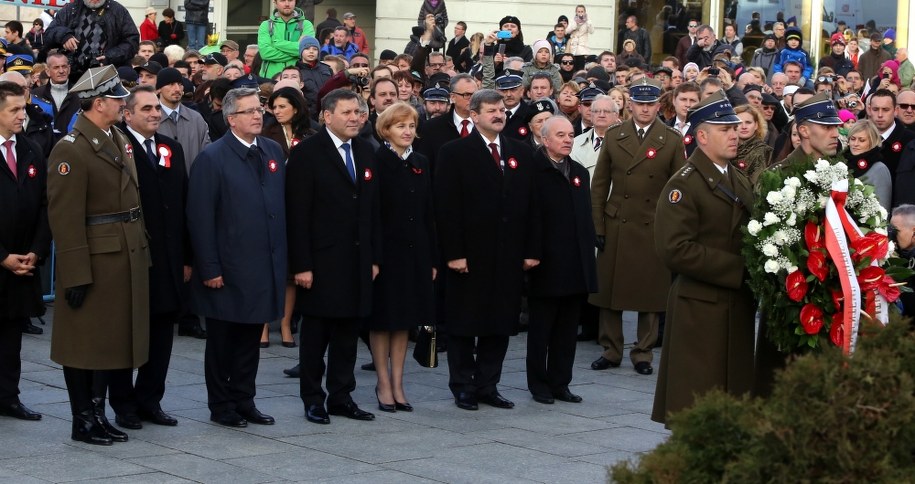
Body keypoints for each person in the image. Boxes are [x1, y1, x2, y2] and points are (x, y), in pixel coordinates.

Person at [46, 65, 149, 446]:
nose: (125, 103)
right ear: (99, 103)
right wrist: (75, 273)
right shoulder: (70, 148)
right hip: (94, 257)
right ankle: (82, 418)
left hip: (123, 252)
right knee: (83, 342)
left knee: (109, 341)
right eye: (118, 98)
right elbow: (64, 216)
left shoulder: (117, 137)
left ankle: (98, 414)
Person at [651, 90, 756, 426]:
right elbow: (675, 249)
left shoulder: (735, 175)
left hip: (733, 304)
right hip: (701, 306)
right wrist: (739, 269)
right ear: (701, 136)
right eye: (724, 129)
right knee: (696, 403)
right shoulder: (684, 184)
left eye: (735, 127)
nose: (734, 134)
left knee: (730, 398)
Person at [186, 87, 286, 428]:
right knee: (222, 342)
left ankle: (245, 399)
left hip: (262, 264)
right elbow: (200, 218)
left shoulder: (272, 150)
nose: (258, 115)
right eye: (249, 111)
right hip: (227, 268)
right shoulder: (212, 158)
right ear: (231, 119)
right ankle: (221, 404)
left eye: (260, 109)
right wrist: (210, 267)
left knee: (249, 341)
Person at [434, 88, 537, 411]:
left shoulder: (519, 151)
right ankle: (463, 385)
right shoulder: (455, 152)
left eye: (502, 109)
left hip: (507, 254)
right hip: (469, 254)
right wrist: (454, 252)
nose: (498, 114)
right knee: (465, 322)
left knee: (500, 322)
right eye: (491, 110)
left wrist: (530, 249)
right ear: (474, 115)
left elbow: (531, 205)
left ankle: (488, 384)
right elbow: (446, 207)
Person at [286, 88, 380, 425]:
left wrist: (374, 257)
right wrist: (302, 265)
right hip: (321, 262)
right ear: (327, 116)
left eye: (358, 112)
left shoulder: (368, 152)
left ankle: (342, 396)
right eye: (347, 113)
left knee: (347, 334)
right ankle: (313, 398)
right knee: (316, 337)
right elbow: (297, 213)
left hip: (357, 261)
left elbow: (372, 210)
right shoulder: (307, 153)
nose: (355, 118)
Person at [589, 78, 686, 375]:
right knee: (610, 292)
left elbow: (677, 190)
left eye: (650, 104)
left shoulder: (670, 139)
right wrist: (598, 226)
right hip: (618, 220)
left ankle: (643, 353)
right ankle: (611, 349)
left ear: (659, 105)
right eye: (640, 104)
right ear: (630, 105)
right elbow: (600, 184)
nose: (645, 109)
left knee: (650, 292)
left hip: (651, 223)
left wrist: (671, 228)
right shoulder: (615, 134)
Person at [108, 84, 188, 430]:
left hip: (168, 259)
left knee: (161, 334)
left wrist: (187, 256)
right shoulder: (117, 149)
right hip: (133, 256)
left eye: (157, 108)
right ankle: (123, 404)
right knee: (128, 333)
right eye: (146, 109)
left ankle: (150, 400)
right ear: (127, 115)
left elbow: (183, 204)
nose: (155, 114)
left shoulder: (171, 147)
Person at [756, 92, 843, 396]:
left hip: (831, 300)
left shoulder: (840, 175)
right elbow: (764, 247)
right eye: (827, 127)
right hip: (789, 301)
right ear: (804, 130)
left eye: (837, 127)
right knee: (780, 384)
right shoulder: (776, 178)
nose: (836, 133)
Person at [367, 102, 436, 412]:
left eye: (411, 126)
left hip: (416, 253)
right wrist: (374, 257)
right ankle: (383, 382)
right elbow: (372, 214)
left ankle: (398, 382)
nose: (407, 131)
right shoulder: (377, 160)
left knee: (405, 321)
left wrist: (432, 257)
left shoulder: (420, 161)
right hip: (386, 254)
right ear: (386, 130)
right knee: (383, 320)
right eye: (400, 126)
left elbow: (429, 214)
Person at [526, 115, 596, 404]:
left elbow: (585, 219)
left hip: (575, 263)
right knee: (542, 329)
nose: (568, 139)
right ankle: (539, 384)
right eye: (560, 135)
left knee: (567, 331)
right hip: (546, 263)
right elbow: (529, 217)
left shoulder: (579, 172)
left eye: (570, 134)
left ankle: (560, 382)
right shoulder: (533, 169)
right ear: (545, 139)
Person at [0, 81, 50, 423]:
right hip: (2, 259)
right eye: (14, 110)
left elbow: (46, 205)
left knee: (11, 337)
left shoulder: (31, 149)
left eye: (23, 108)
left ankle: (9, 396)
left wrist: (35, 250)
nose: (22, 115)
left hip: (22, 263)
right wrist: (1, 256)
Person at [43, 0, 139, 84]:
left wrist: (109, 57)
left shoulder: (118, 11)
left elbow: (132, 41)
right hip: (72, 76)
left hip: (107, 76)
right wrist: (64, 36)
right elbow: (48, 34)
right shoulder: (70, 10)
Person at [258, 0, 315, 80]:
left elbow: (307, 50)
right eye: (282, 0)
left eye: (291, 0)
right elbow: (265, 53)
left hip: (300, 79)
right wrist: (297, 51)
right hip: (271, 80)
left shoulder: (306, 25)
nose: (287, 4)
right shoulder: (266, 25)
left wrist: (276, 43)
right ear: (275, 2)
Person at [844, 119, 891, 211]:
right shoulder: (841, 163)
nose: (855, 144)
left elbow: (883, 209)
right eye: (853, 139)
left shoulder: (879, 169)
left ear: (872, 142)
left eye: (862, 140)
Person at [570, 93, 619, 177]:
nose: (601, 115)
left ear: (616, 115)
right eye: (596, 111)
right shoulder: (575, 142)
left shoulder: (626, 143)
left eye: (606, 111)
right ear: (591, 116)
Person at [733, 104, 773, 183]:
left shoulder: (763, 151)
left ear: (756, 125)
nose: (744, 126)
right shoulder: (726, 149)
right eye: (739, 122)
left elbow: (759, 184)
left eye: (748, 122)